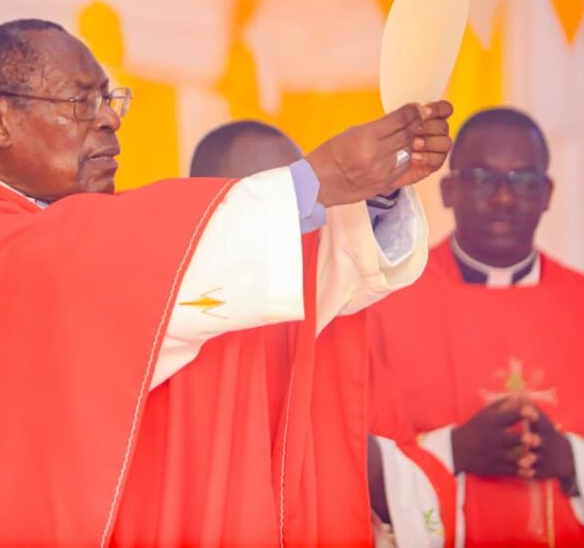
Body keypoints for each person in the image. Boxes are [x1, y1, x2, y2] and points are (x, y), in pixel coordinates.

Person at [0, 18, 454, 547]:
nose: (110, 118)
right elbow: (83, 268)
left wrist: (372, 191)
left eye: (109, 98)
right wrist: (319, 181)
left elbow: (224, 287)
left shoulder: (62, 228)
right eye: (80, 101)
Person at [368, 107, 584, 546]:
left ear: (547, 194)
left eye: (522, 180)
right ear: (448, 190)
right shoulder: (380, 308)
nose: (504, 198)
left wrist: (574, 456)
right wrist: (454, 450)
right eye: (482, 178)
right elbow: (348, 450)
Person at [190, 120, 456, 548]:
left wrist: (367, 460)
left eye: (305, 206)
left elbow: (412, 464)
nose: (296, 226)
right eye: (274, 203)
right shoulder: (176, 314)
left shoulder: (332, 320)